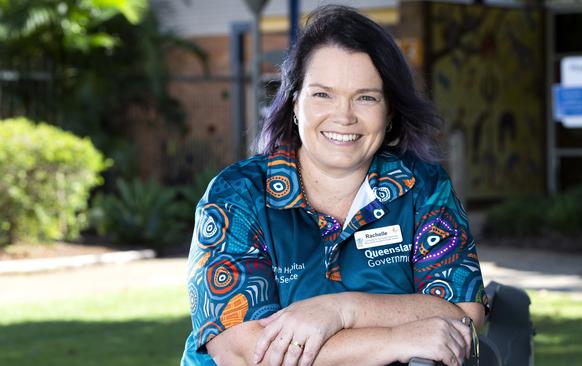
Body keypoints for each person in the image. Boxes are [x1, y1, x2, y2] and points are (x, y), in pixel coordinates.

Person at [181, 5, 488, 366]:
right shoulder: (237, 196)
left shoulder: (423, 187)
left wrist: (343, 310)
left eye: (366, 97)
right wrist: (394, 338)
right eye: (323, 94)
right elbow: (247, 354)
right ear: (295, 103)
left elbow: (463, 313)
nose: (344, 116)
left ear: (389, 111)